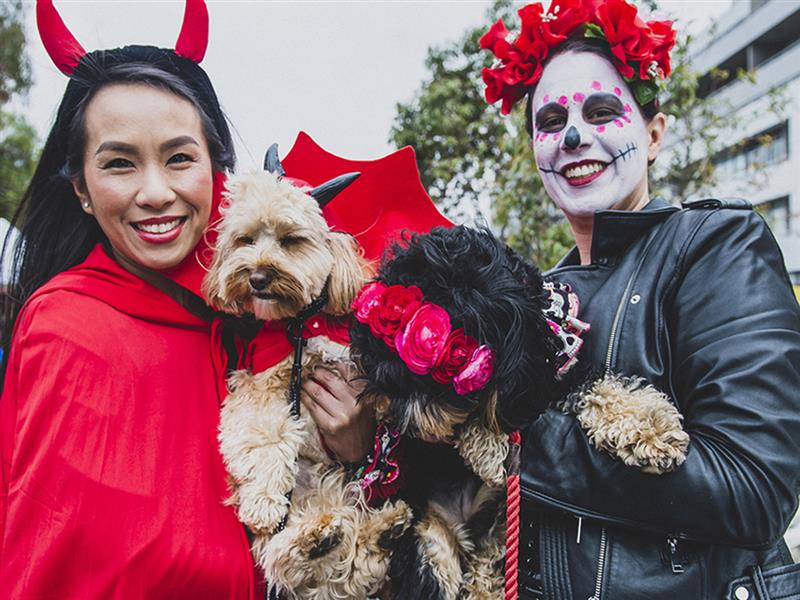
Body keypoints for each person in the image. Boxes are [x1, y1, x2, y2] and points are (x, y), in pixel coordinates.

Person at [0, 1, 373, 598]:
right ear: (83, 191)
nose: (155, 192)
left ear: (217, 172)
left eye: (179, 158)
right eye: (119, 164)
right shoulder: (66, 326)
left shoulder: (262, 324)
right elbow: (60, 554)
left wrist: (356, 445)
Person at [481, 1, 800, 598]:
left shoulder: (716, 246)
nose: (574, 136)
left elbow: (752, 489)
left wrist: (507, 434)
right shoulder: (529, 298)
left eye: (602, 111)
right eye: (550, 122)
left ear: (653, 135)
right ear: (535, 152)